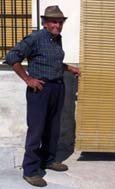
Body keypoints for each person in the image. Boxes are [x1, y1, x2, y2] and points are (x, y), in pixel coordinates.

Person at [4, 5, 80, 187]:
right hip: (40, 90)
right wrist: (28, 79)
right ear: (44, 23)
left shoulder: (57, 39)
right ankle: (30, 170)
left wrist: (70, 68)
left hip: (57, 88)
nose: (58, 25)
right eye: (54, 21)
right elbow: (12, 57)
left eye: (60, 22)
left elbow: (53, 62)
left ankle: (48, 160)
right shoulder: (35, 38)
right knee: (36, 130)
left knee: (53, 128)